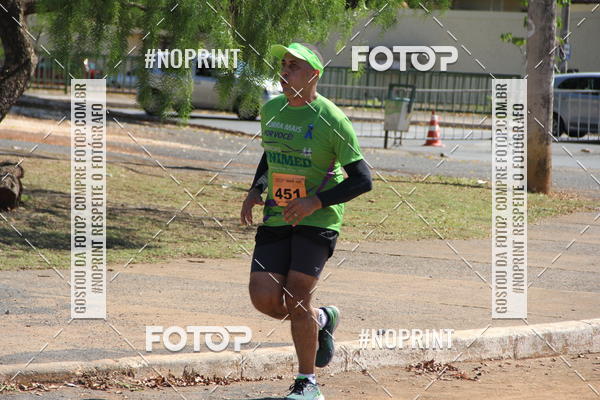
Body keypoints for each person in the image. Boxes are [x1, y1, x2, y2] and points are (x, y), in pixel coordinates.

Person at [240, 42, 372, 400]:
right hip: (278, 215)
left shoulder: (332, 119)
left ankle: (307, 383)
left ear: (314, 74)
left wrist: (315, 201)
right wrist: (256, 189)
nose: (285, 72)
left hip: (319, 218)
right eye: (283, 64)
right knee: (263, 298)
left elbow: (363, 179)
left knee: (298, 296)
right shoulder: (272, 110)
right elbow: (271, 154)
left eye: (294, 66)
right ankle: (322, 319)